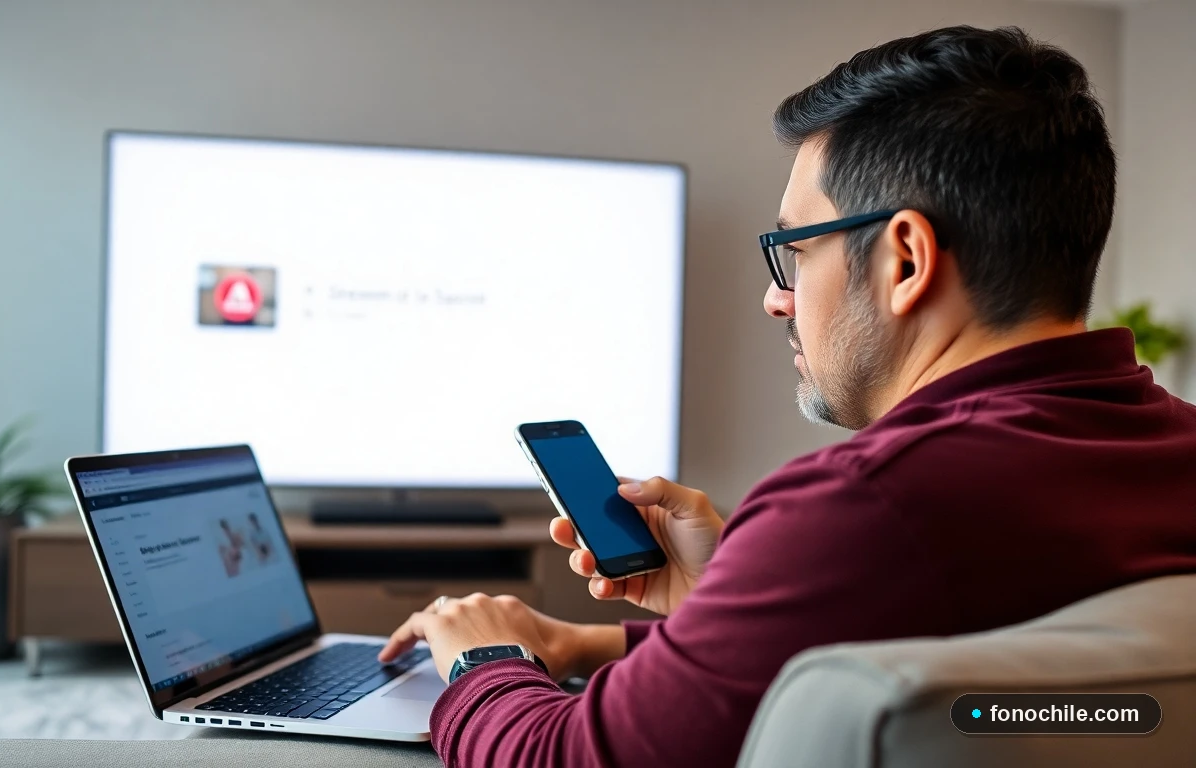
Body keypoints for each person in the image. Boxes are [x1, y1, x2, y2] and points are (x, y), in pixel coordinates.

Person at [378, 25, 1196, 767]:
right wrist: (680, 616)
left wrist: (484, 658)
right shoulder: (1170, 455)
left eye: (795, 251)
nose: (778, 299)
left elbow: (564, 760)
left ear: (904, 260)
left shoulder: (863, 507)